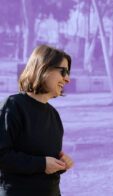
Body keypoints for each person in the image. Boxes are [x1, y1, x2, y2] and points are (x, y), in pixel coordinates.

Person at [0, 45, 74, 196]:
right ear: (43, 68)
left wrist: (61, 163)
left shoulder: (54, 115)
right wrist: (41, 164)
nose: (67, 79)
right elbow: (2, 156)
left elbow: (47, 162)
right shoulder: (13, 105)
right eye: (63, 71)